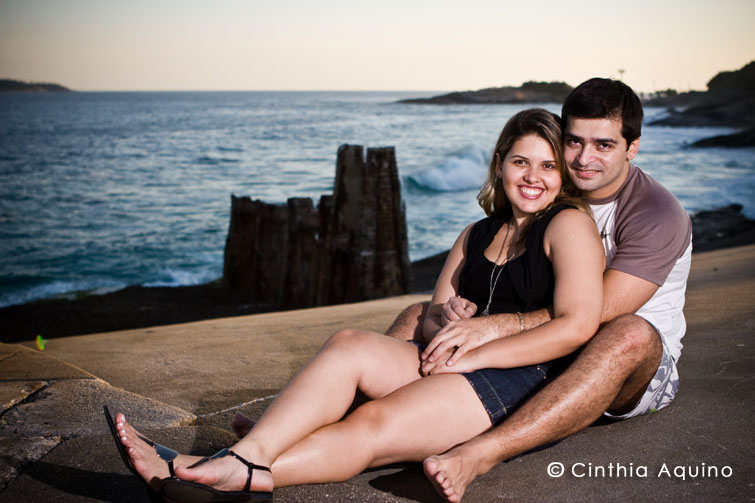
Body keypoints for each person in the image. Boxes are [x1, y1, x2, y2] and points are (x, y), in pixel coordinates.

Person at [108, 108, 605, 500]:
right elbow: (432, 318)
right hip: (451, 361)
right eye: (521, 161)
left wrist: (480, 347)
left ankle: (208, 473)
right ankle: (246, 454)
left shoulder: (567, 225)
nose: (533, 176)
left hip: (516, 380)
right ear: (501, 163)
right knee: (349, 344)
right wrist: (448, 320)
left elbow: (577, 325)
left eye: (548, 165)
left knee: (371, 425)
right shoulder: (476, 233)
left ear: (562, 174)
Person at [409, 78, 693, 502]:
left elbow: (601, 312)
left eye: (604, 145)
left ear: (632, 147)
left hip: (626, 362)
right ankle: (370, 403)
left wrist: (492, 328)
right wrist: (458, 315)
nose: (584, 159)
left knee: (629, 333)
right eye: (574, 142)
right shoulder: (554, 182)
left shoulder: (654, 212)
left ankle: (482, 454)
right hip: (546, 348)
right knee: (420, 314)